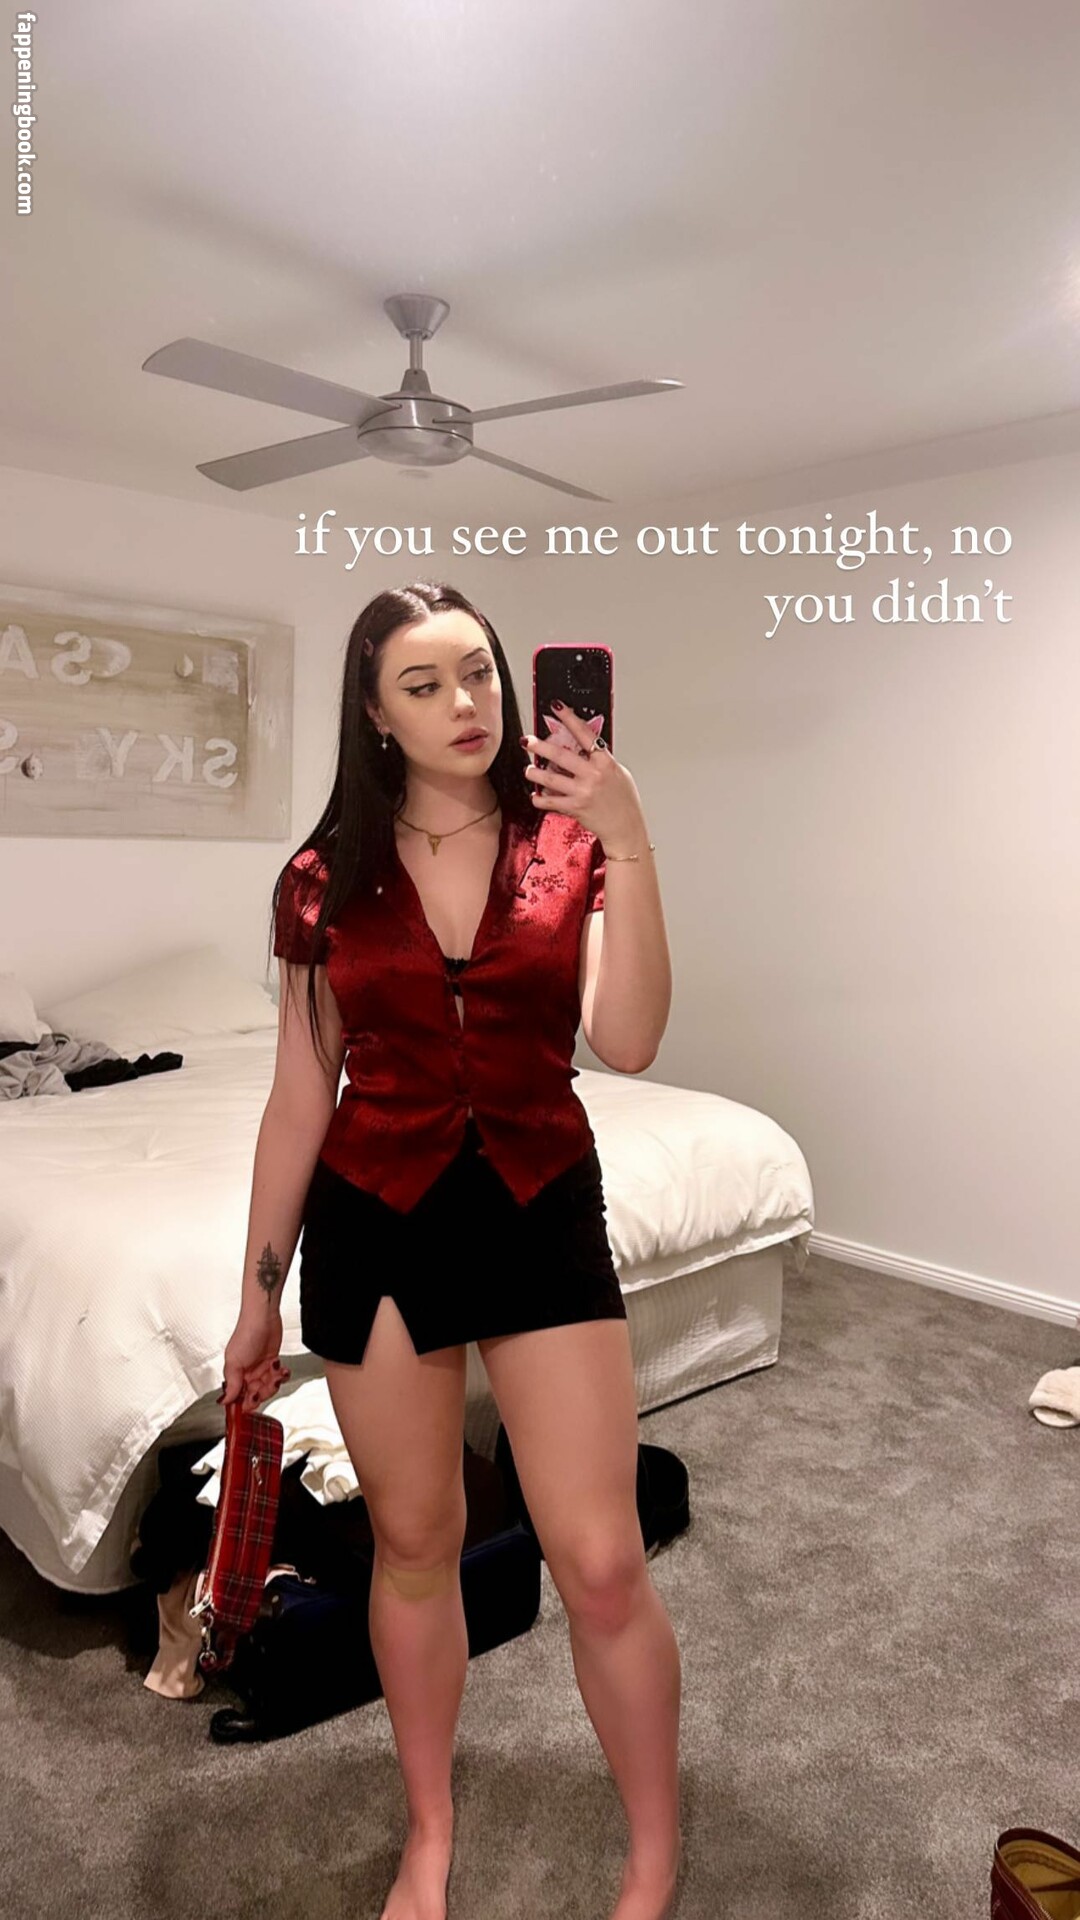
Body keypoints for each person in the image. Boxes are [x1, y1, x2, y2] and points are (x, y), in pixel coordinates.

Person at [220, 581, 680, 1920]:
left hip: (539, 1205)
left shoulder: (571, 844)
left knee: (601, 1561)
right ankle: (429, 1834)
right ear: (375, 713)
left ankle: (653, 1852)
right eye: (422, 685)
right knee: (415, 1543)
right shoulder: (321, 881)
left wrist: (631, 837)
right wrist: (256, 1296)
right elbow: (300, 1095)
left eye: (477, 672)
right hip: (378, 1216)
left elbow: (630, 1040)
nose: (465, 704)